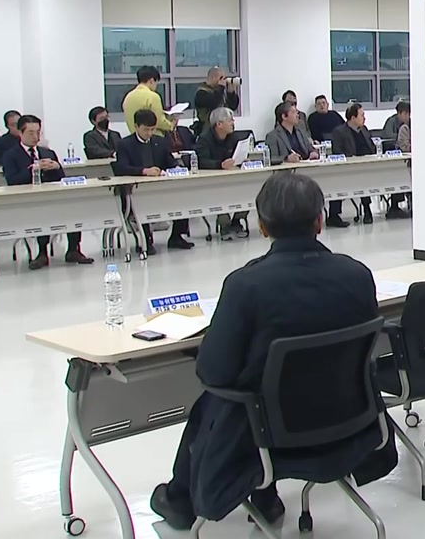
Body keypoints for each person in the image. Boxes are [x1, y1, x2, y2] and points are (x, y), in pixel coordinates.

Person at [148, 172, 396, 530]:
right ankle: (259, 496)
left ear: (262, 227)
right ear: (320, 221)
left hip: (271, 437)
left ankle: (185, 499)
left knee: (217, 401)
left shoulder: (246, 286)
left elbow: (214, 372)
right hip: (349, 425)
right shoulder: (357, 275)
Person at [0, 114, 94, 269]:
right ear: (20, 133)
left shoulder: (47, 153)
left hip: (51, 198)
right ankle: (42, 253)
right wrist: (32, 170)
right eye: (31, 133)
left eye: (38, 132)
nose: (35, 137)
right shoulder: (10, 155)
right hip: (28, 201)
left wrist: (56, 167)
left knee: (73, 208)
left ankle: (73, 249)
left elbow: (61, 178)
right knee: (41, 212)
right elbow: (12, 180)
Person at [114, 109, 193, 253]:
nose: (149, 133)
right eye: (146, 130)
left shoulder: (160, 142)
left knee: (182, 198)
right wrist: (143, 171)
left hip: (160, 189)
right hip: (136, 192)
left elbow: (170, 161)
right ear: (136, 126)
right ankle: (146, 240)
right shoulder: (125, 144)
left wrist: (177, 168)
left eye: (152, 129)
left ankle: (176, 236)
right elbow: (121, 168)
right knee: (142, 206)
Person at [195, 107, 250, 241]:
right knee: (221, 192)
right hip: (212, 180)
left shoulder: (233, 137)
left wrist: (241, 160)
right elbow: (201, 161)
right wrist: (219, 165)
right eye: (230, 120)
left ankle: (237, 221)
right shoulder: (204, 139)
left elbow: (235, 156)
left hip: (232, 177)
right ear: (219, 124)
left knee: (249, 189)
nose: (233, 123)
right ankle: (224, 224)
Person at [327, 103, 377, 227]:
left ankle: (368, 209)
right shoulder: (339, 132)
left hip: (366, 166)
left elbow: (372, 148)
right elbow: (337, 152)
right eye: (362, 115)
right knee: (336, 181)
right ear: (353, 118)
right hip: (346, 169)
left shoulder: (364, 130)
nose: (364, 118)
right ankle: (334, 215)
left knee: (366, 176)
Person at [121, 66, 173, 136]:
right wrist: (171, 125)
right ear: (151, 80)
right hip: (153, 137)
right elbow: (159, 121)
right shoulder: (153, 96)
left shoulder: (128, 97)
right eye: (156, 82)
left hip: (134, 137)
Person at [264, 101, 318, 166]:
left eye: (297, 112)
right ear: (284, 116)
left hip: (305, 167)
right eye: (293, 112)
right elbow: (271, 158)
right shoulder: (273, 136)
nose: (297, 115)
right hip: (286, 170)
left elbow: (311, 149)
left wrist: (313, 153)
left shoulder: (300, 132)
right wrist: (286, 158)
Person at [192, 66, 240, 133]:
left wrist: (231, 93)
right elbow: (213, 102)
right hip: (207, 130)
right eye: (221, 78)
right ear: (213, 77)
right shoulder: (201, 93)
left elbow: (232, 107)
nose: (223, 80)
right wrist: (221, 87)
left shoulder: (220, 92)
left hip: (222, 128)